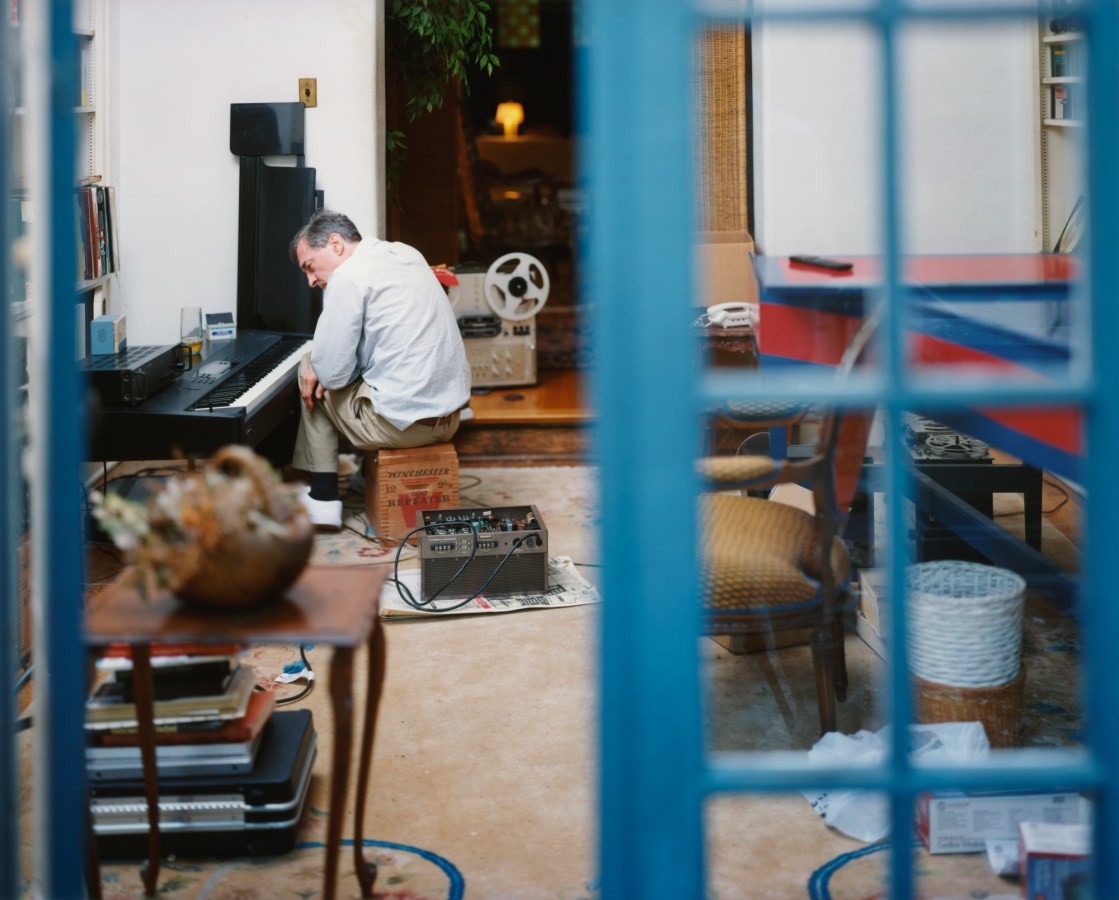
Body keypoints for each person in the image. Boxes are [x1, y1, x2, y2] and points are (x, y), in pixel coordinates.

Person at [288, 209, 471, 530]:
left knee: (312, 364)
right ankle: (363, 478)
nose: (311, 280)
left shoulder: (348, 276)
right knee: (366, 371)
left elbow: (332, 374)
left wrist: (321, 362)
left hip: (404, 428)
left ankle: (323, 496)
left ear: (335, 243)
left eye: (309, 266)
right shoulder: (406, 253)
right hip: (450, 420)